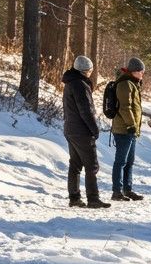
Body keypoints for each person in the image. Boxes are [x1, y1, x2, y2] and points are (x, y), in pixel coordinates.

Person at [61, 55, 110, 208]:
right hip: (81, 131)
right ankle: (93, 199)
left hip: (70, 128)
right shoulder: (80, 85)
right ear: (86, 71)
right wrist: (94, 129)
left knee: (75, 164)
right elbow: (86, 110)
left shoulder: (69, 83)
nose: (91, 73)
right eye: (90, 70)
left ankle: (74, 198)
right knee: (91, 165)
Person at [111, 57, 145, 201]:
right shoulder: (125, 84)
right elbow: (125, 107)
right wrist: (131, 124)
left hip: (131, 130)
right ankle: (117, 191)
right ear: (135, 71)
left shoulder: (133, 84)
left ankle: (127, 189)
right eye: (141, 71)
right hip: (124, 129)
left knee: (129, 162)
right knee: (121, 161)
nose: (143, 74)